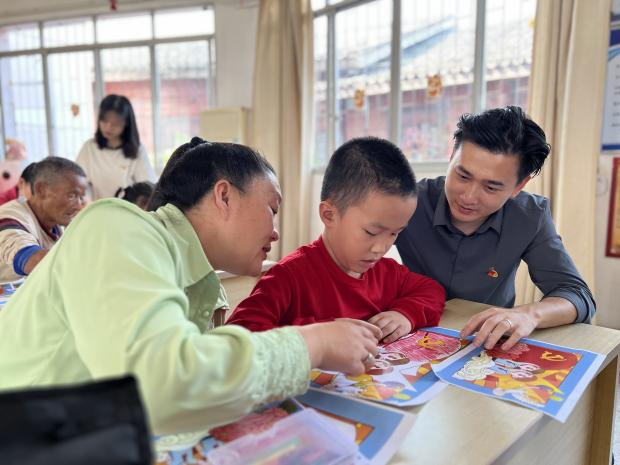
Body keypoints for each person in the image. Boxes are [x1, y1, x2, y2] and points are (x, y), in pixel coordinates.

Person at [0, 137, 381, 436]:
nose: (276, 231)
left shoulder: (200, 285)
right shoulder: (115, 225)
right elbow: (159, 387)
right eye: (272, 209)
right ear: (224, 196)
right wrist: (312, 344)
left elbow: (193, 391)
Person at [395, 106, 595, 352]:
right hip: (410, 329)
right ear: (452, 157)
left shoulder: (529, 216)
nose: (468, 197)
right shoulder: (408, 201)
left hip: (485, 343)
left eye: (490, 187)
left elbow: (577, 295)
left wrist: (529, 314)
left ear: (519, 186)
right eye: (462, 176)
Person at [228, 137, 445, 344]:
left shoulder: (386, 273)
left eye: (394, 234)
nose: (381, 248)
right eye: (371, 232)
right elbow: (236, 339)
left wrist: (405, 315)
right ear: (329, 215)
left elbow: (432, 290)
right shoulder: (288, 277)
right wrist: (318, 336)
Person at [0, 157, 87, 282]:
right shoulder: (10, 217)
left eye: (81, 197)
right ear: (41, 190)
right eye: (72, 196)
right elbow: (30, 259)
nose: (79, 206)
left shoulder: (56, 222)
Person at [76, 94, 156, 200]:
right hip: (97, 207)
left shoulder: (137, 150)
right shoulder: (89, 148)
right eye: (104, 121)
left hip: (127, 208)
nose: (108, 127)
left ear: (126, 123)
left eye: (115, 123)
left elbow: (148, 187)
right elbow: (78, 182)